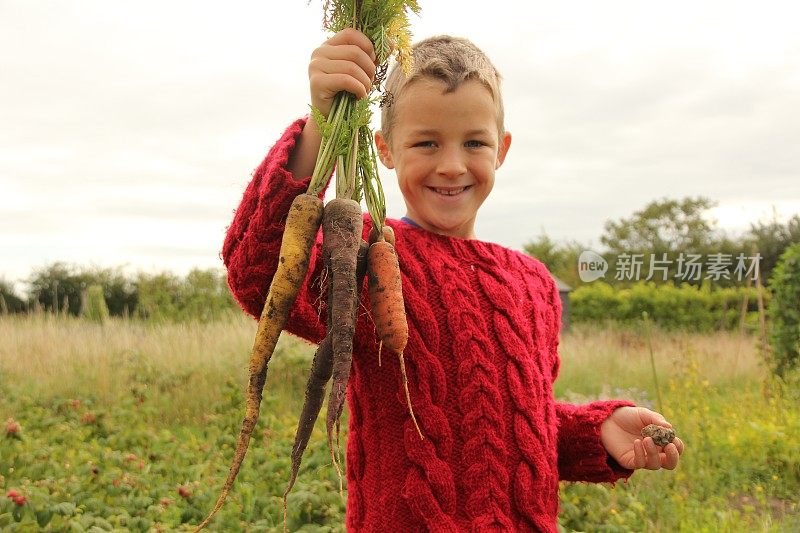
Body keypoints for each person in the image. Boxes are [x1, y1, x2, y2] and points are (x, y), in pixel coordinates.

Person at [222, 28, 684, 532]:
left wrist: (599, 432)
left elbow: (517, 429)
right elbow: (257, 271)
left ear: (501, 149)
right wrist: (320, 125)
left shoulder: (533, 284)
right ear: (385, 148)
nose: (451, 165)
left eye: (474, 143)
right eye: (426, 142)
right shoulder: (368, 255)